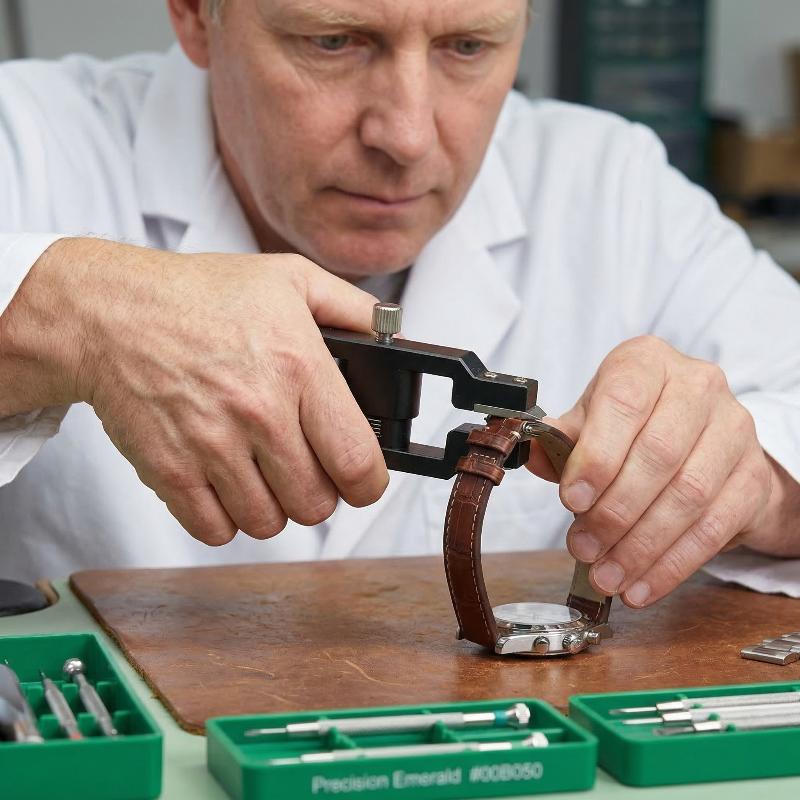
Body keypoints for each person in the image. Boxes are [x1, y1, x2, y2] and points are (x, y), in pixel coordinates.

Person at [0, 0, 798, 607]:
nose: (406, 135)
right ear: (194, 14)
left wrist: (756, 482)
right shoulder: (27, 140)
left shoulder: (610, 183)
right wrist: (74, 311)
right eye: (334, 41)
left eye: (468, 47)